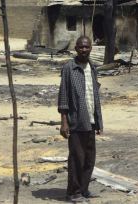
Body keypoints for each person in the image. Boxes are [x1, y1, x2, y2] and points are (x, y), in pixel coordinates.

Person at [58, 36, 103, 203]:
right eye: (81, 47)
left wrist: (98, 122)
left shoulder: (92, 68)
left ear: (91, 48)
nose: (84, 50)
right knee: (77, 158)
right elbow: (63, 96)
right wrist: (64, 122)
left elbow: (94, 97)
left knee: (89, 158)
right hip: (76, 121)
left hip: (90, 120)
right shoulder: (69, 68)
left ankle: (83, 189)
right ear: (76, 48)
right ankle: (73, 192)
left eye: (87, 47)